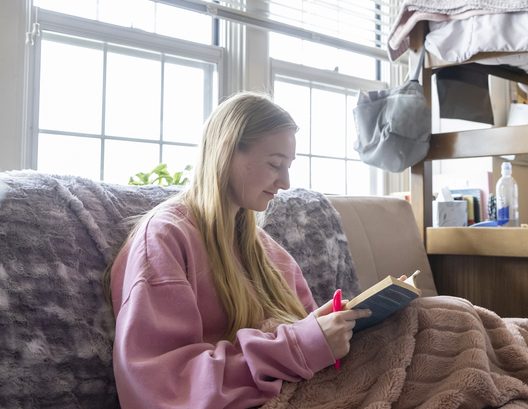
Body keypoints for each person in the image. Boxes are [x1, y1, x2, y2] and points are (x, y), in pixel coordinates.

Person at [106, 92, 372, 408]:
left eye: (289, 166)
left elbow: (304, 337)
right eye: (275, 164)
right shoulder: (165, 240)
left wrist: (326, 331)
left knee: (432, 316)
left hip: (313, 389)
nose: (285, 182)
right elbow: (161, 382)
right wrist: (300, 346)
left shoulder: (268, 253)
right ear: (227, 153)